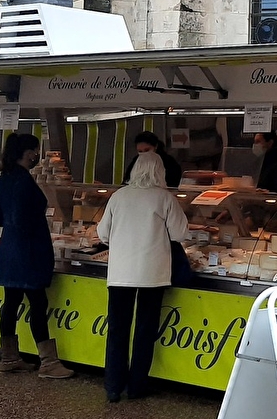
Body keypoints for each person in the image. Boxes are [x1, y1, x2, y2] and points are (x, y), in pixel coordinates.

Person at [96, 151, 189, 403]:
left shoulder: (118, 196)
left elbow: (102, 234)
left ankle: (113, 386)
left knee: (117, 330)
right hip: (152, 274)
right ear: (161, 172)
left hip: (120, 273)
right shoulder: (164, 198)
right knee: (145, 330)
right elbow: (180, 233)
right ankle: (137, 385)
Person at [0, 132, 74, 379]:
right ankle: (48, 363)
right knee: (38, 304)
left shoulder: (5, 178)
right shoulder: (24, 181)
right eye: (36, 150)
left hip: (9, 250)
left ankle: (9, 357)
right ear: (28, 153)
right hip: (29, 251)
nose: (37, 155)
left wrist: (12, 228)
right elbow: (24, 217)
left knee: (11, 304)